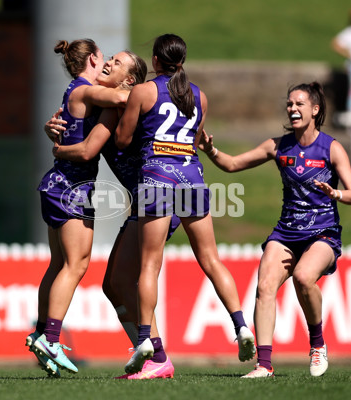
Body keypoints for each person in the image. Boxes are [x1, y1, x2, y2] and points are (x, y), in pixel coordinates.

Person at [198, 82, 351, 378]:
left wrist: (334, 194)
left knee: (303, 277)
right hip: (286, 232)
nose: (292, 108)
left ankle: (317, 344)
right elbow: (233, 164)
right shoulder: (278, 146)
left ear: (315, 109)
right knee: (264, 288)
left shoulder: (332, 148)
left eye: (299, 103)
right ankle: (264, 365)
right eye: (289, 104)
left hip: (322, 233)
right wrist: (211, 150)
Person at [115, 33, 256, 375]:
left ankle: (146, 338)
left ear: (157, 60)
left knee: (149, 265)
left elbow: (122, 138)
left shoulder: (144, 91)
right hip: (191, 177)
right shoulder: (200, 96)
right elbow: (194, 139)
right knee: (211, 259)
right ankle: (240, 326)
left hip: (157, 178)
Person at [43, 52, 179, 379]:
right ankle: (150, 355)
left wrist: (58, 150)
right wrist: (53, 127)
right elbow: (79, 128)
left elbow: (89, 150)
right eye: (110, 60)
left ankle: (157, 356)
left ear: (130, 80)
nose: (108, 64)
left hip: (157, 200)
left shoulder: (126, 103)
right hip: (144, 203)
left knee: (125, 280)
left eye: (116, 63)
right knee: (113, 286)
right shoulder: (108, 104)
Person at [26, 39, 138, 378]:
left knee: (59, 264)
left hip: (60, 185)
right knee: (77, 264)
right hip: (71, 188)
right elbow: (122, 97)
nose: (106, 65)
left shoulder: (77, 91)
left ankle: (42, 332)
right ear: (92, 58)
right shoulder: (85, 90)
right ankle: (51, 339)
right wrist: (155, 93)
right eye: (105, 58)